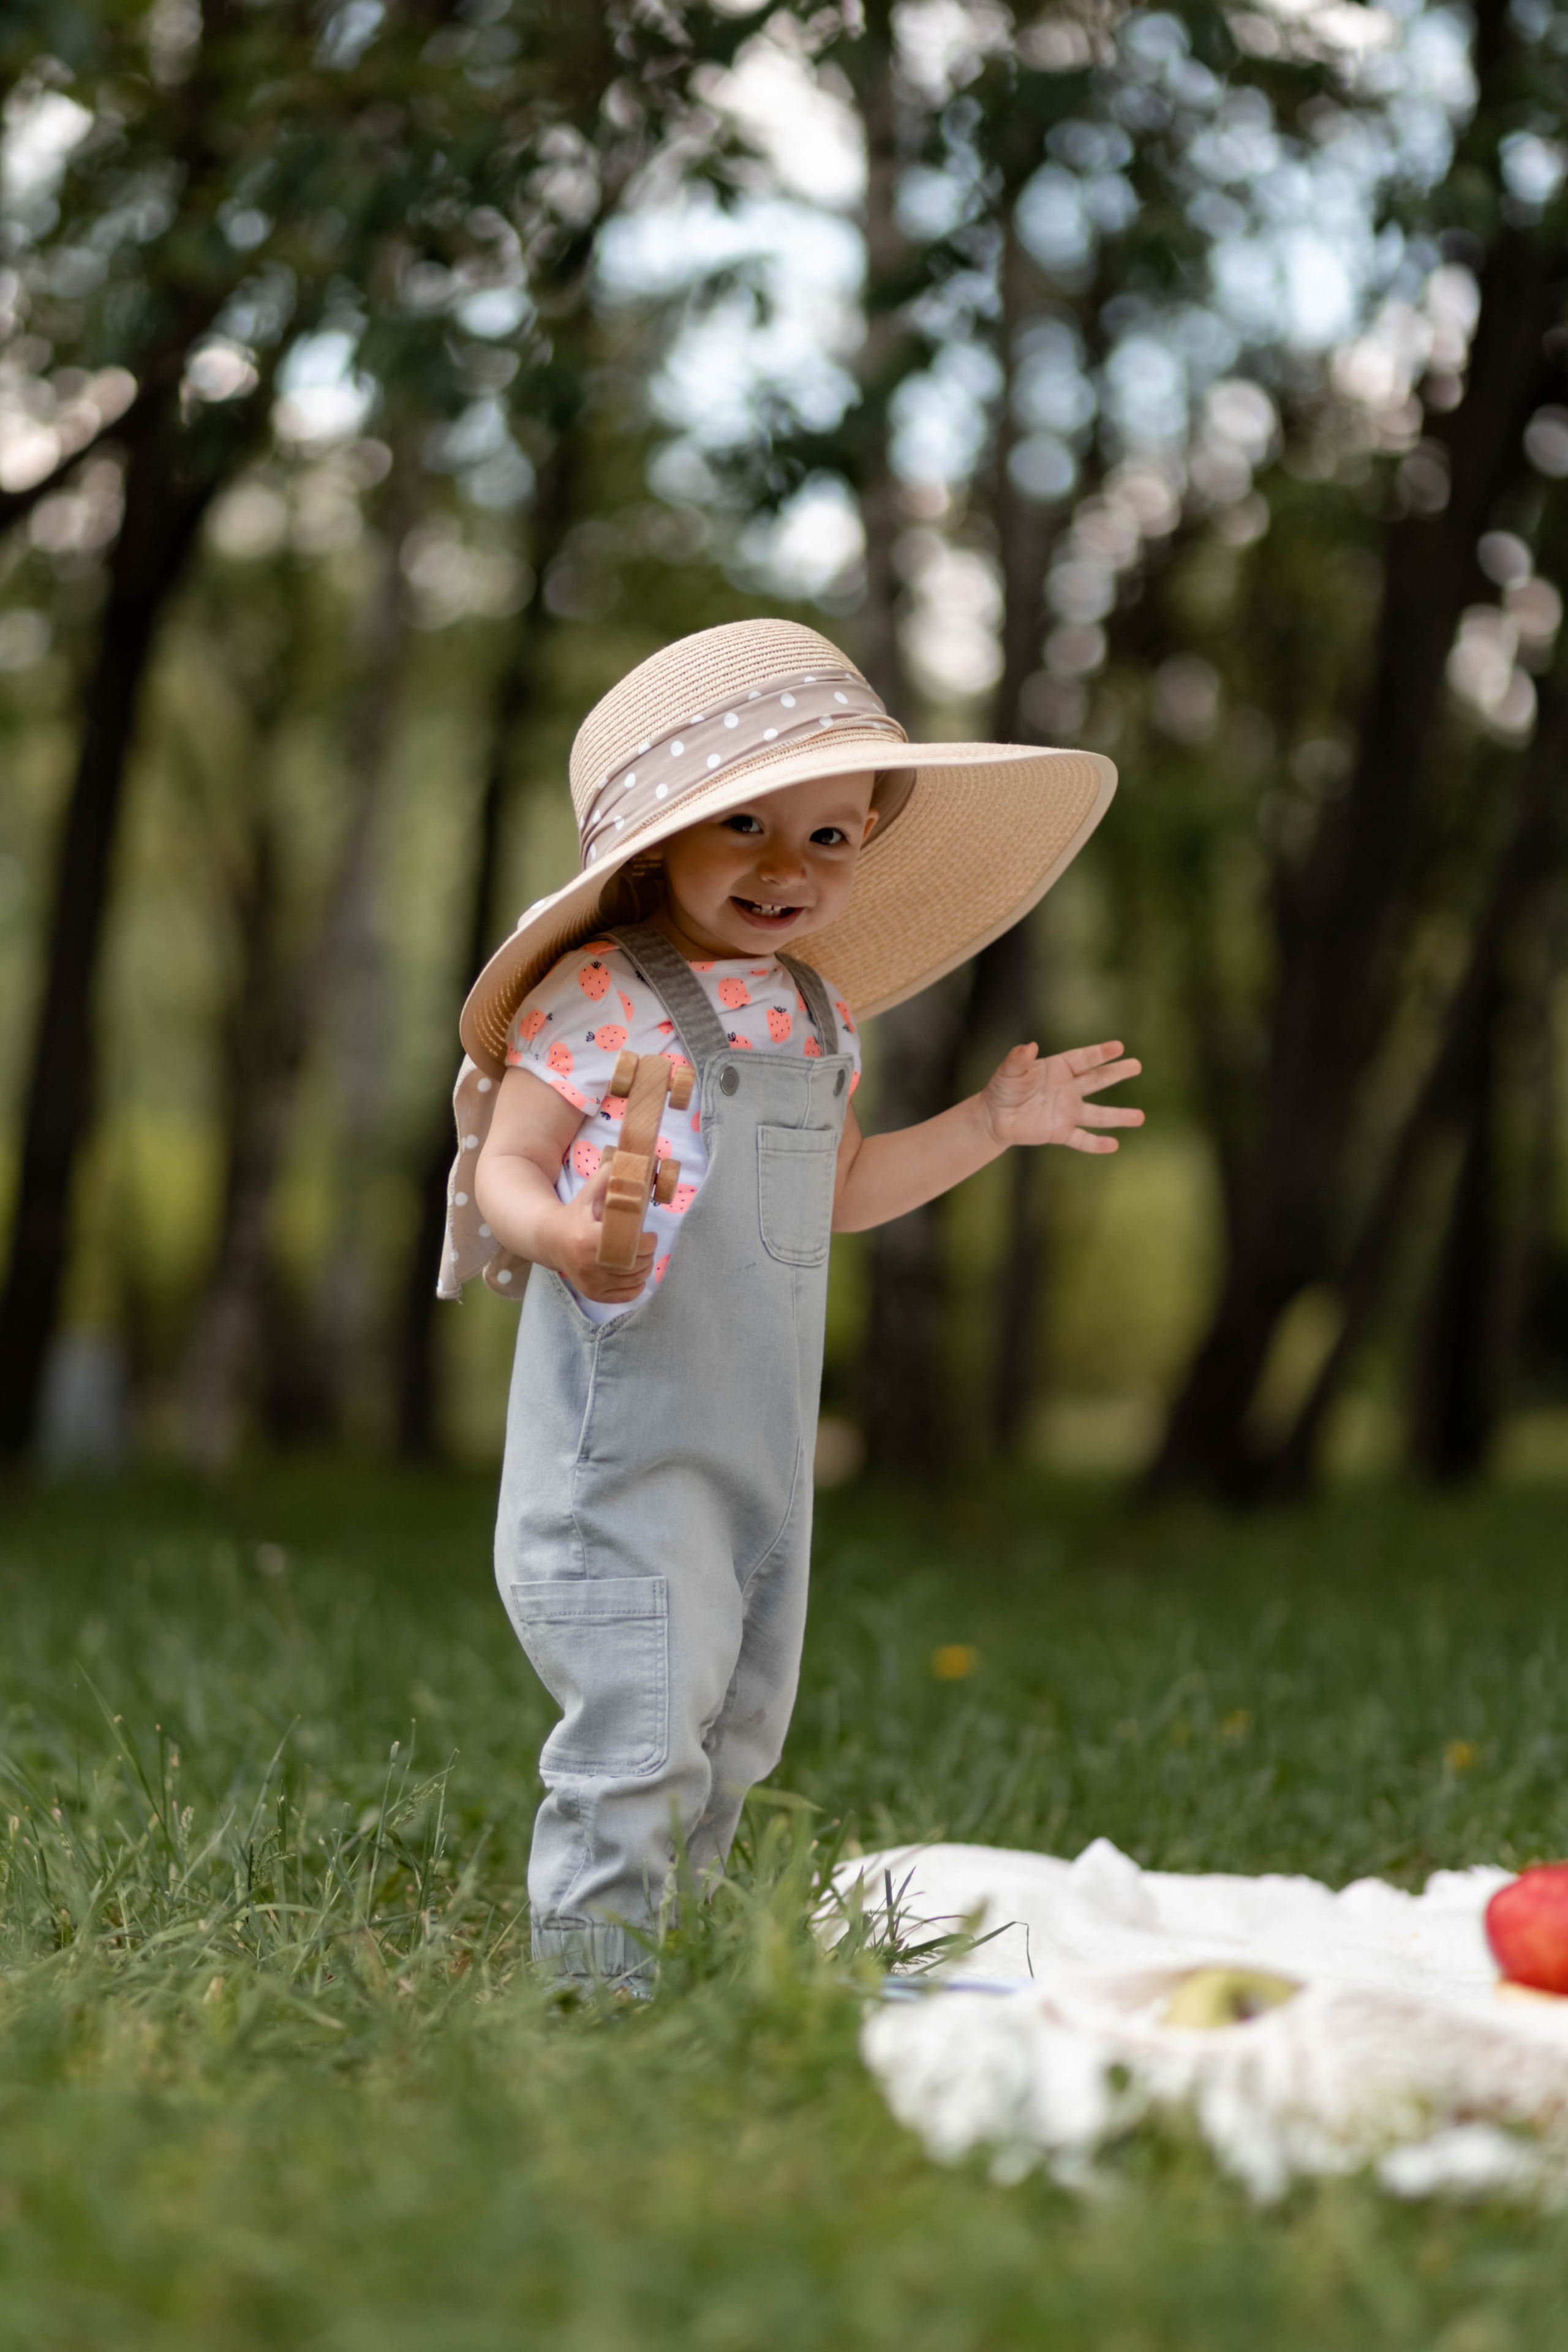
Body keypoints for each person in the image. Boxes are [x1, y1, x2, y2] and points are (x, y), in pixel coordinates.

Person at [439, 617, 1142, 1988]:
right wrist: (570, 1237)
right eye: (745, 825)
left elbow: (844, 1188)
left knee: (735, 1721)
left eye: (828, 837)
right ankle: (593, 1991)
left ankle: (678, 1959)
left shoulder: (813, 1012)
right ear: (658, 846)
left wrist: (990, 1124)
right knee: (642, 1717)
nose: (786, 868)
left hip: (759, 1447)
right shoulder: (598, 993)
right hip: (622, 1456)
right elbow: (507, 1165)